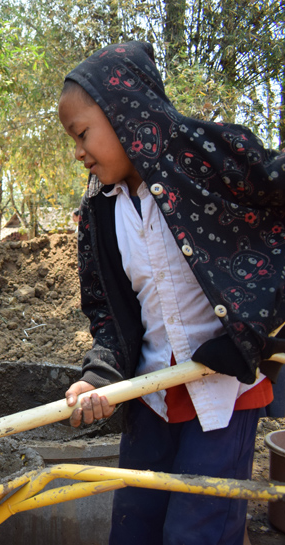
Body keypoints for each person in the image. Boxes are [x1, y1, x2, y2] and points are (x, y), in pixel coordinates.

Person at [58, 42, 285, 545]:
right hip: (152, 400)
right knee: (134, 527)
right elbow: (106, 310)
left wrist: (251, 332)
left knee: (197, 533)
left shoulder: (208, 160)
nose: (78, 152)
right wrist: (101, 371)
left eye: (81, 134)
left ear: (123, 113)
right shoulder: (100, 213)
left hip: (223, 398)